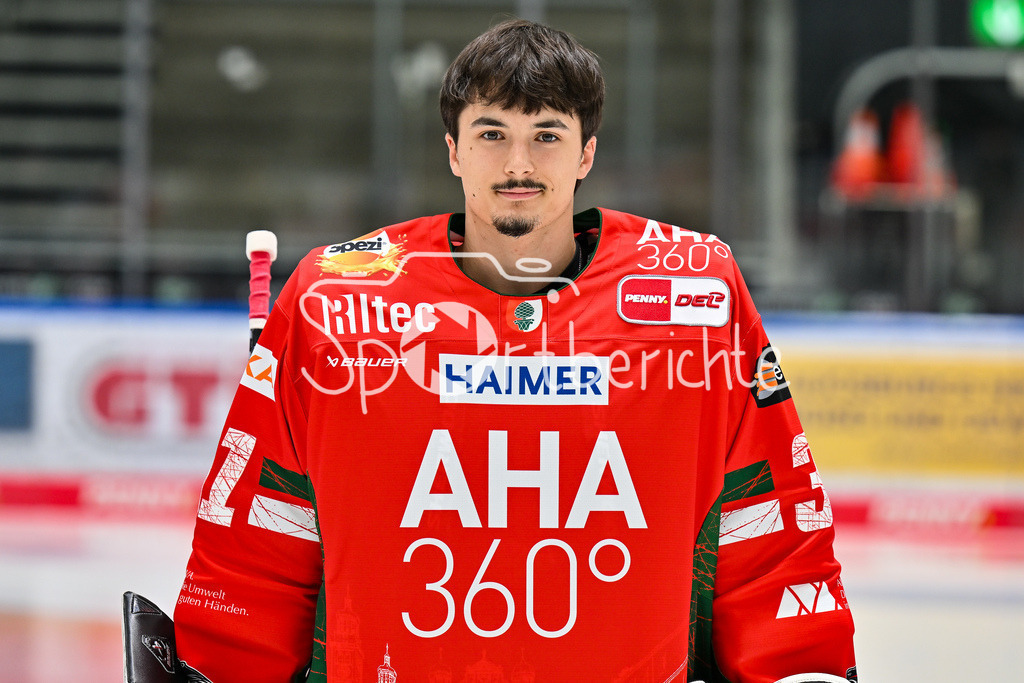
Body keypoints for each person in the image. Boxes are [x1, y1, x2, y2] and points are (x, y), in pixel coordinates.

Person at [173, 18, 857, 683]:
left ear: (588, 152)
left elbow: (769, 531)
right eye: (492, 133)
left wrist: (799, 665)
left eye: (547, 135)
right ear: (454, 150)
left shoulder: (697, 293)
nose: (519, 163)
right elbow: (257, 541)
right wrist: (223, 664)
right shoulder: (333, 301)